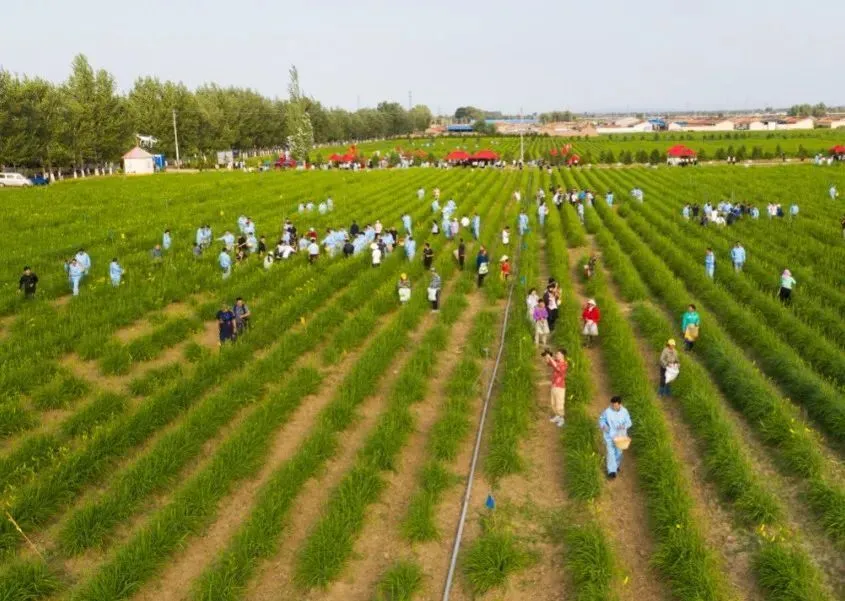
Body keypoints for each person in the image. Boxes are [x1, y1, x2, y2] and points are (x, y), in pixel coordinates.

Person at [598, 396, 632, 479]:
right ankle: (611, 471)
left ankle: (616, 466)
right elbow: (601, 420)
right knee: (610, 452)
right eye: (612, 405)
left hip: (620, 437)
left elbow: (629, 422)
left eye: (615, 405)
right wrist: (604, 426)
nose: (613, 407)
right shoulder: (607, 411)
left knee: (619, 452)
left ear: (620, 404)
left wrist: (624, 426)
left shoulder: (625, 412)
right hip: (609, 436)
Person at [543, 348, 568, 427]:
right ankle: (557, 416)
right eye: (556, 354)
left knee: (559, 403)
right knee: (553, 403)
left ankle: (562, 419)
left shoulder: (564, 364)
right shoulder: (556, 361)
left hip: (560, 387)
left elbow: (558, 368)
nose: (556, 355)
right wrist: (547, 356)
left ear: (562, 355)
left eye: (558, 354)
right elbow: (548, 363)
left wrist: (551, 358)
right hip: (554, 386)